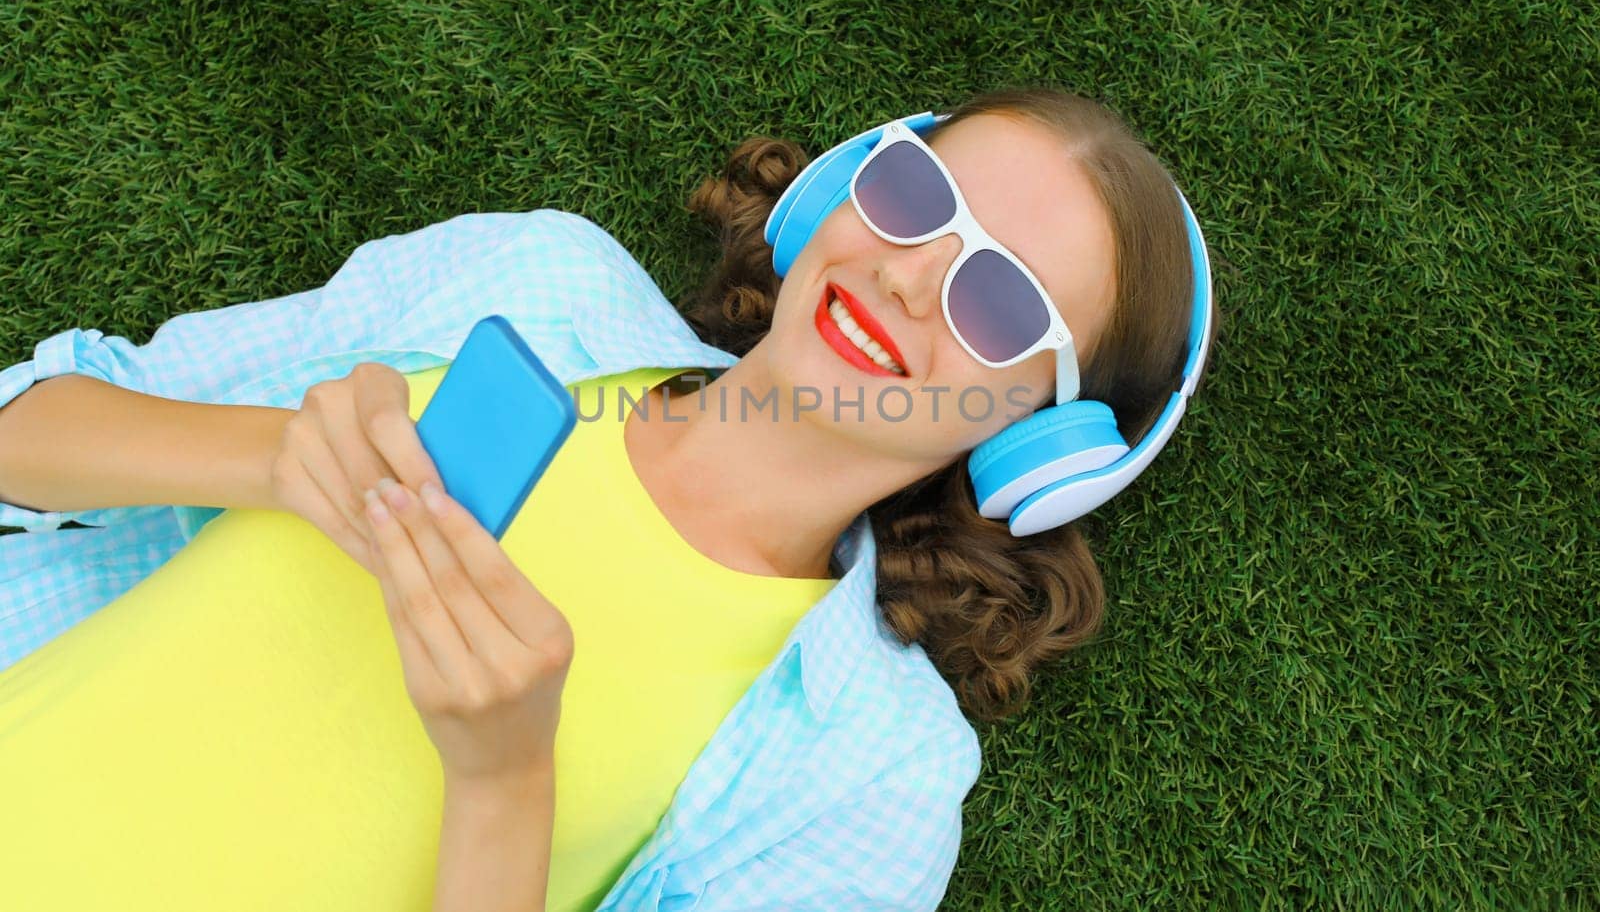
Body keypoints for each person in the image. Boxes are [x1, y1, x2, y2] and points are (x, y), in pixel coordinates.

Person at [0, 84, 1219, 911]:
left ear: (1042, 445)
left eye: (998, 303)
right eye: (912, 201)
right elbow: (28, 429)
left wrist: (502, 780)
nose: (906, 277)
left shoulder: (872, 780)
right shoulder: (536, 279)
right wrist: (264, 459)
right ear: (839, 191)